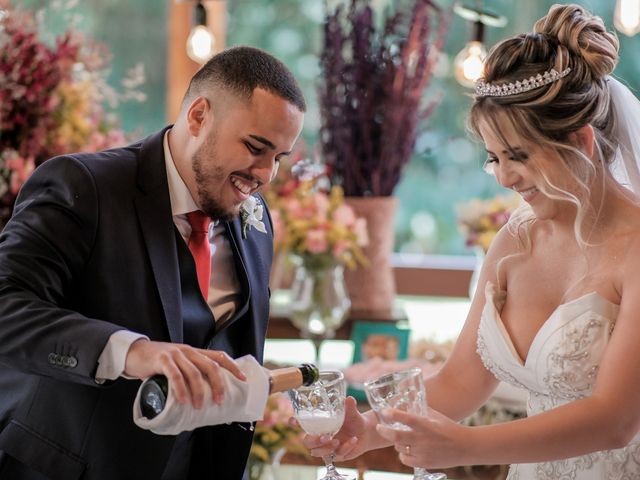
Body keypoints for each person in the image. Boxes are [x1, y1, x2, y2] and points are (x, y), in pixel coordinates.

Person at [303, 4, 640, 478]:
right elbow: (461, 382)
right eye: (494, 157)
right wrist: (375, 429)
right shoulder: (514, 243)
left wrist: (465, 446)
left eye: (518, 156)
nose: (503, 177)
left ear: (582, 143)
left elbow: (615, 421)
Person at [0, 45, 305, 480]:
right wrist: (134, 352)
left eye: (279, 157)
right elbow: (6, 307)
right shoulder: (85, 186)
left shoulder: (253, 221)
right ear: (199, 116)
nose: (267, 174)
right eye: (256, 147)